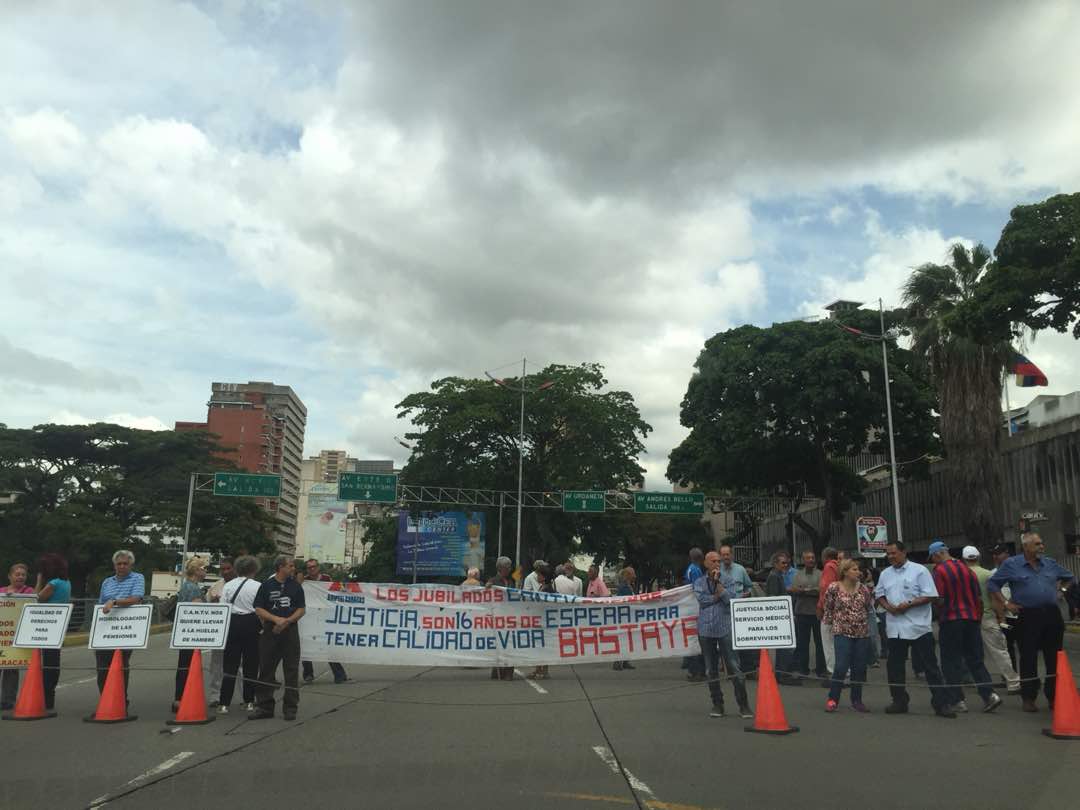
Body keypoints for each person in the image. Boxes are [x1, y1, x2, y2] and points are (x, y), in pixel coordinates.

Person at [988, 532, 1074, 713]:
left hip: (1051, 614)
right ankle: (1028, 697)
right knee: (1028, 657)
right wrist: (1006, 603)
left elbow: (1070, 577)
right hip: (1027, 615)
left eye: (1041, 543)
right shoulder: (1012, 565)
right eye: (1037, 544)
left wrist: (1062, 590)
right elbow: (993, 584)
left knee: (1054, 657)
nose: (1041, 546)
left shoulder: (1049, 563)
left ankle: (1054, 697)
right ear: (1025, 547)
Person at [874, 541, 954, 718]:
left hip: (919, 627)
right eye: (888, 554)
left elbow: (931, 595)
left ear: (903, 552)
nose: (890, 557)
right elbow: (879, 594)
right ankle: (899, 701)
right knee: (895, 668)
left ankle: (941, 704)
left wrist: (909, 604)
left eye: (893, 553)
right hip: (895, 629)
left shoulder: (919, 570)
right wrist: (888, 607)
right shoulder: (885, 574)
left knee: (930, 667)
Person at [929, 542, 1002, 713]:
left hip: (951, 619)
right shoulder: (966, 569)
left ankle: (957, 700)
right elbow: (978, 597)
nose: (933, 561)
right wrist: (977, 616)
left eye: (933, 557)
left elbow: (939, 597)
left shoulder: (939, 571)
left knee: (951, 661)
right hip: (971, 619)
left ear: (937, 554)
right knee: (976, 659)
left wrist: (936, 610)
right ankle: (990, 695)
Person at [693, 550, 753, 719]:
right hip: (706, 629)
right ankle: (717, 704)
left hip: (725, 628)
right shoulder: (698, 582)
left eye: (718, 561)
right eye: (713, 561)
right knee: (710, 669)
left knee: (734, 666)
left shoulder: (728, 580)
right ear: (705, 563)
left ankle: (744, 705)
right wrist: (716, 597)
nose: (716, 564)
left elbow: (730, 600)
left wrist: (718, 584)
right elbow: (702, 601)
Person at [251, 555, 306, 721]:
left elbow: (301, 609)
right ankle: (264, 706)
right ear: (280, 567)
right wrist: (276, 619)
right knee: (266, 669)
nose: (293, 569)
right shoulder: (267, 585)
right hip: (270, 631)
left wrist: (287, 621)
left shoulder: (295, 586)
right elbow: (258, 608)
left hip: (290, 631)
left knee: (291, 670)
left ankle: (290, 708)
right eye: (290, 566)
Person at [964, 545, 1020, 695]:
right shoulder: (988, 574)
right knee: (1000, 651)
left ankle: (977, 681)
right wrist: (1001, 618)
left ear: (964, 560)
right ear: (978, 557)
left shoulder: (961, 574)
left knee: (972, 652)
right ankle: (1013, 682)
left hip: (967, 618)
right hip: (988, 617)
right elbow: (994, 598)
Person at [821, 559, 873, 712]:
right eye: (854, 569)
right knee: (841, 666)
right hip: (842, 632)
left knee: (859, 667)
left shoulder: (863, 589)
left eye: (858, 569)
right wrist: (829, 627)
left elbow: (868, 607)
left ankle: (857, 700)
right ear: (844, 572)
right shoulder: (834, 588)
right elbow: (828, 608)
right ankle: (833, 698)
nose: (858, 572)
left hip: (861, 633)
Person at [95, 550, 145, 700]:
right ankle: (105, 700)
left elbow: (136, 598)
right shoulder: (107, 582)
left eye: (125, 563)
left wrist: (115, 601)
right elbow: (100, 604)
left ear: (131, 565)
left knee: (120, 665)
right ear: (114, 565)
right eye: (119, 564)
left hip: (126, 628)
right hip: (106, 629)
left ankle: (121, 701)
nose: (122, 566)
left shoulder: (137, 578)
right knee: (102, 666)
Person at [219, 555, 262, 714]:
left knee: (230, 665)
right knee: (251, 664)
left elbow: (223, 607)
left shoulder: (229, 585)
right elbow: (260, 609)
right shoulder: (258, 586)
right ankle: (249, 701)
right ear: (253, 569)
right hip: (252, 624)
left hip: (233, 623)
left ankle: (224, 703)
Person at [33, 554, 71, 712]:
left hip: (47, 622)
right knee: (53, 658)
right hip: (58, 623)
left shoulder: (53, 583)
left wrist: (39, 581)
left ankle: (45, 694)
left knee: (47, 661)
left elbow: (37, 598)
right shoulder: (66, 582)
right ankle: (49, 695)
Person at [301, 558, 347, 685]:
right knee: (306, 646)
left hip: (324, 617)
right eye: (309, 567)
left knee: (329, 646)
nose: (311, 569)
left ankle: (339, 675)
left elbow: (335, 591)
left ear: (318, 567)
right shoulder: (304, 580)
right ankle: (308, 674)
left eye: (313, 566)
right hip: (308, 617)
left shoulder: (326, 579)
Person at [172, 557, 206, 713]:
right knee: (188, 665)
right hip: (192, 632)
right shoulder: (193, 588)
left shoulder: (186, 586)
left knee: (183, 664)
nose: (205, 571)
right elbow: (197, 611)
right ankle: (184, 698)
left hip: (183, 631)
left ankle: (179, 698)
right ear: (197, 570)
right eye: (203, 568)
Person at [1, 563, 35, 710]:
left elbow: (33, 602)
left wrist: (16, 597)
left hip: (16, 637)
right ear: (10, 576)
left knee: (11, 669)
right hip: (2, 636)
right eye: (17, 574)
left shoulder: (29, 591)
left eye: (23, 574)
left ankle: (8, 700)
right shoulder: (1, 591)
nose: (20, 577)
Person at [790, 550, 826, 680]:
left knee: (820, 643)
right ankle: (803, 669)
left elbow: (821, 591)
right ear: (803, 560)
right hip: (802, 613)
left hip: (817, 613)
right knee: (802, 643)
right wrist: (811, 590)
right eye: (808, 558)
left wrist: (804, 590)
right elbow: (794, 590)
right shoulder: (797, 574)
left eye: (812, 557)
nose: (811, 560)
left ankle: (821, 669)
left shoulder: (821, 574)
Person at [765, 553, 800, 684]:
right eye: (783, 563)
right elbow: (774, 598)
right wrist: (786, 616)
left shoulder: (778, 575)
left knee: (786, 646)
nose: (786, 565)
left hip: (783, 615)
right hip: (781, 617)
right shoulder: (774, 576)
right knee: (785, 646)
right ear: (775, 564)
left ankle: (783, 673)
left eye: (786, 563)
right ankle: (782, 674)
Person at [205, 557, 235, 707]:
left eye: (228, 568)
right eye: (222, 569)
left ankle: (246, 697)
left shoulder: (243, 585)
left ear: (235, 568)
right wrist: (214, 602)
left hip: (237, 630)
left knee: (240, 665)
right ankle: (215, 696)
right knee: (216, 665)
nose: (225, 572)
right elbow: (206, 608)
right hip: (218, 631)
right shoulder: (215, 587)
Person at [989, 543, 1019, 669]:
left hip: (1021, 614)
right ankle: (1011, 676)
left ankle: (1029, 679)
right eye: (994, 554)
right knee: (1007, 646)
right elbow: (992, 595)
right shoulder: (993, 573)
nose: (995, 557)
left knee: (1026, 647)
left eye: (998, 554)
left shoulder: (1018, 569)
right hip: (1004, 618)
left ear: (1007, 554)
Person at [486, 557, 515, 681]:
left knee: (511, 644)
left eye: (509, 567)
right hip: (497, 618)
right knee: (498, 644)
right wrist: (487, 588)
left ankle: (509, 671)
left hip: (510, 618)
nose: (509, 569)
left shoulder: (512, 581)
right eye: (507, 567)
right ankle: (497, 669)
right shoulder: (493, 581)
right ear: (500, 568)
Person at [816, 547, 842, 683]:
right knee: (840, 642)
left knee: (829, 643)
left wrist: (820, 607)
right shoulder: (842, 567)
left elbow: (826, 589)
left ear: (824, 556)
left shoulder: (829, 567)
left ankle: (833, 673)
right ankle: (844, 672)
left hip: (830, 611)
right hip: (842, 610)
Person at [528, 565, 556, 680]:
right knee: (539, 646)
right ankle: (538, 669)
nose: (537, 576)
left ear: (544, 577)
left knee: (543, 647)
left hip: (544, 622)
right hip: (540, 621)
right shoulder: (543, 587)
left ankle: (543, 670)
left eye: (539, 574)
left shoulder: (546, 589)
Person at [683, 548, 707, 681]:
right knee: (697, 641)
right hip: (696, 608)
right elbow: (698, 588)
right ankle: (696, 671)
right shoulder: (696, 570)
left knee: (695, 640)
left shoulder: (690, 569)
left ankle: (695, 670)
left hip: (692, 607)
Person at [613, 567, 638, 672]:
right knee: (623, 639)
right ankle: (617, 662)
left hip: (628, 616)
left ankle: (625, 661)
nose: (635, 575)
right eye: (633, 573)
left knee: (627, 640)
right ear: (628, 575)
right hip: (624, 617)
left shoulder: (628, 586)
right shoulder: (624, 588)